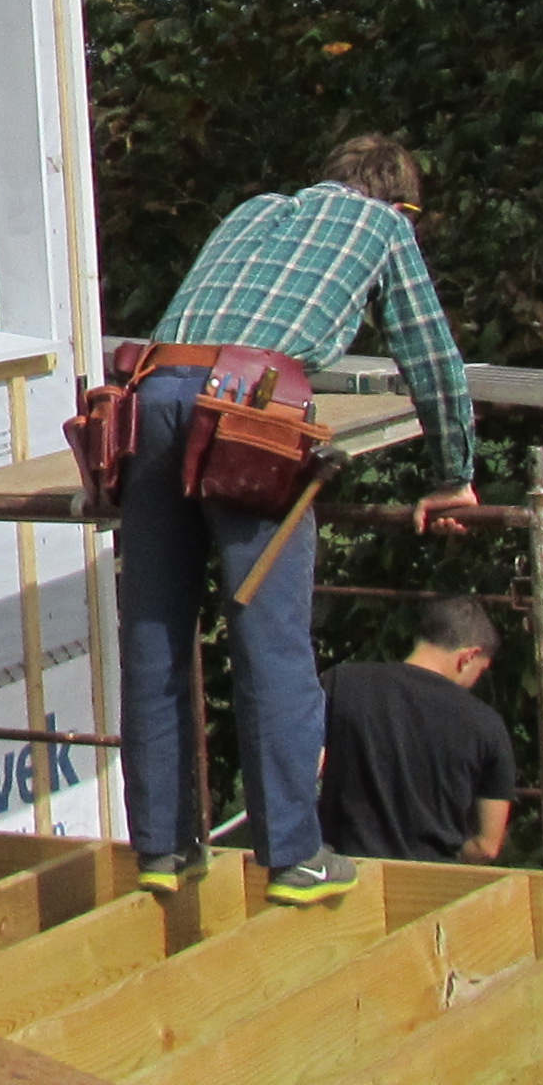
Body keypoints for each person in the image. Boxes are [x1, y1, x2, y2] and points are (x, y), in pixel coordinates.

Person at [117, 133, 481, 905]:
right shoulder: (382, 226)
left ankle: (162, 848)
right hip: (246, 413)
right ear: (402, 203)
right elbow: (432, 359)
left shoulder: (254, 211)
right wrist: (454, 476)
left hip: (150, 398)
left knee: (153, 635)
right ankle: (293, 855)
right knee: (271, 642)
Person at [320, 595, 520, 864]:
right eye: (481, 670)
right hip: (432, 877)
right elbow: (487, 846)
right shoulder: (487, 724)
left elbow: (303, 768)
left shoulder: (341, 683)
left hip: (346, 870)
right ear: (468, 656)